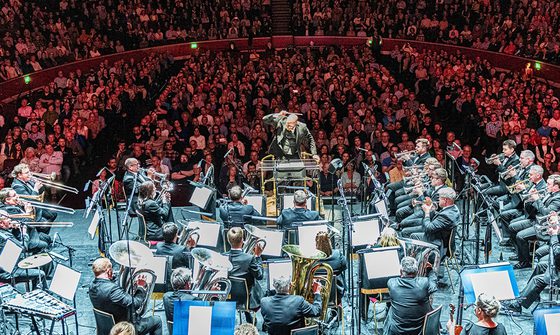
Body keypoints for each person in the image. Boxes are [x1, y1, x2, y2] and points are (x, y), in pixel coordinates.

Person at [88, 258, 162, 335]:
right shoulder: (113, 290)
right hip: (124, 327)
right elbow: (136, 304)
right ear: (108, 271)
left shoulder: (92, 285)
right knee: (157, 321)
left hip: (105, 326)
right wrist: (140, 288)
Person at [383, 257, 437, 335]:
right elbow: (433, 286)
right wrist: (430, 271)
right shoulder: (424, 282)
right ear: (417, 271)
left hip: (397, 331)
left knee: (390, 306)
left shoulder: (392, 283)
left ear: (401, 271)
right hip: (419, 331)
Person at [227, 227, 264, 323]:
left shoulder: (223, 256)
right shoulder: (249, 258)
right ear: (243, 240)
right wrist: (257, 256)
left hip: (229, 295)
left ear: (228, 240)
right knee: (255, 283)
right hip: (246, 298)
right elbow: (260, 276)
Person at [411, 187, 460, 255]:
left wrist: (427, 212)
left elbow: (428, 228)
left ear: (445, 200)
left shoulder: (447, 216)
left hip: (437, 244)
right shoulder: (453, 208)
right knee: (413, 235)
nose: (438, 200)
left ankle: (417, 259)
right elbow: (440, 219)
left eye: (440, 198)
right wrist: (432, 211)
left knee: (410, 234)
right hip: (439, 237)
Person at [10, 163, 57, 233]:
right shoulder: (17, 186)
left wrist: (39, 185)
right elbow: (30, 201)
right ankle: (40, 234)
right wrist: (35, 189)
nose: (30, 174)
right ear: (19, 175)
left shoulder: (27, 181)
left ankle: (44, 236)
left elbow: (42, 193)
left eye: (29, 172)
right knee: (48, 219)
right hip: (31, 210)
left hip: (37, 206)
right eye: (26, 173)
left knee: (54, 213)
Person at [315, 231, 347, 303]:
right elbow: (344, 266)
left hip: (316, 293)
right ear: (329, 241)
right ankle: (336, 311)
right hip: (335, 293)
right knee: (339, 275)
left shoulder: (311, 258)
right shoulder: (338, 254)